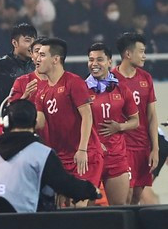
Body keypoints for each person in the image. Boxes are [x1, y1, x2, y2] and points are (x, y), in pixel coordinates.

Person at [0, 100, 99, 213]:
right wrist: (90, 190)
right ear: (35, 123)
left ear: (7, 123)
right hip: (20, 225)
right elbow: (64, 184)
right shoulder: (41, 153)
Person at [34, 38, 103, 203]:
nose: (37, 58)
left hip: (84, 154)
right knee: (62, 209)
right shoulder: (41, 91)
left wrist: (82, 149)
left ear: (55, 59)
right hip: (61, 158)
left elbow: (87, 115)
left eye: (42, 55)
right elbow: (40, 123)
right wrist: (18, 116)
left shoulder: (74, 82)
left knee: (78, 207)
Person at [86, 44, 139, 206]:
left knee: (119, 210)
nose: (94, 63)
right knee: (82, 214)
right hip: (90, 158)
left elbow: (135, 121)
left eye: (100, 60)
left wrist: (119, 127)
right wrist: (94, 143)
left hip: (116, 157)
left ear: (110, 62)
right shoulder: (80, 89)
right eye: (91, 60)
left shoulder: (121, 88)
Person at [112, 33, 159, 205]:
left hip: (142, 147)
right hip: (122, 147)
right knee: (125, 195)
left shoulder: (146, 78)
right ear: (128, 54)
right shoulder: (111, 79)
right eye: (141, 51)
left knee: (137, 196)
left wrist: (155, 148)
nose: (144, 56)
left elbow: (152, 116)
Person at [0, 23, 38, 116]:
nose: (32, 45)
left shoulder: (38, 65)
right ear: (15, 43)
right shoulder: (1, 66)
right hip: (9, 116)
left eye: (34, 41)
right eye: (27, 40)